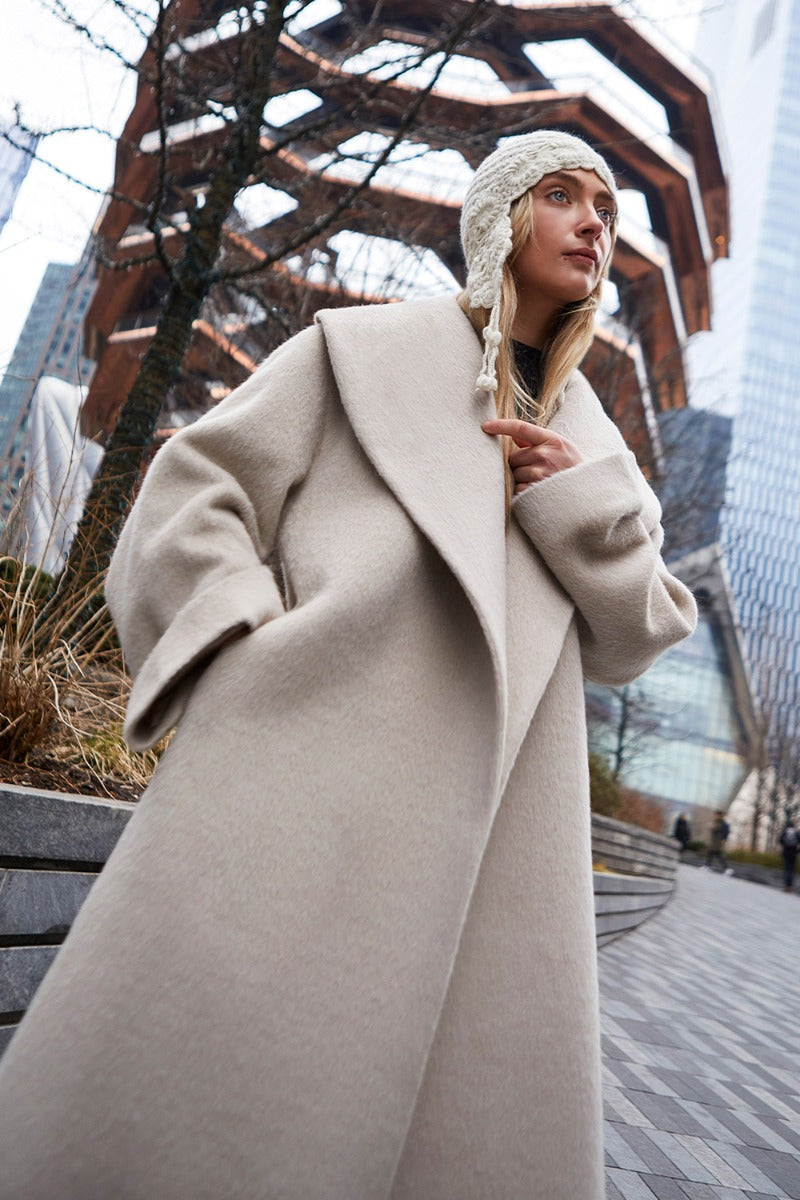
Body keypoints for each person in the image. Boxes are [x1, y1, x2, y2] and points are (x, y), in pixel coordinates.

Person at [0, 131, 697, 1199]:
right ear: (502, 219)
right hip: (297, 790)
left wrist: (576, 506)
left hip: (497, 874)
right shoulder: (364, 353)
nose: (592, 224)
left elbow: (635, 636)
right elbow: (194, 493)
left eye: (604, 208)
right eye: (562, 196)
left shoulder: (598, 451)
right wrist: (240, 656)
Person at [779, 816, 798, 892]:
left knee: (787, 870)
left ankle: (786, 886)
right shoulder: (796, 833)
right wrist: (797, 850)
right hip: (793, 854)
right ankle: (790, 887)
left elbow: (780, 841)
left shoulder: (785, 832)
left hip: (786, 853)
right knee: (791, 870)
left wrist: (785, 846)